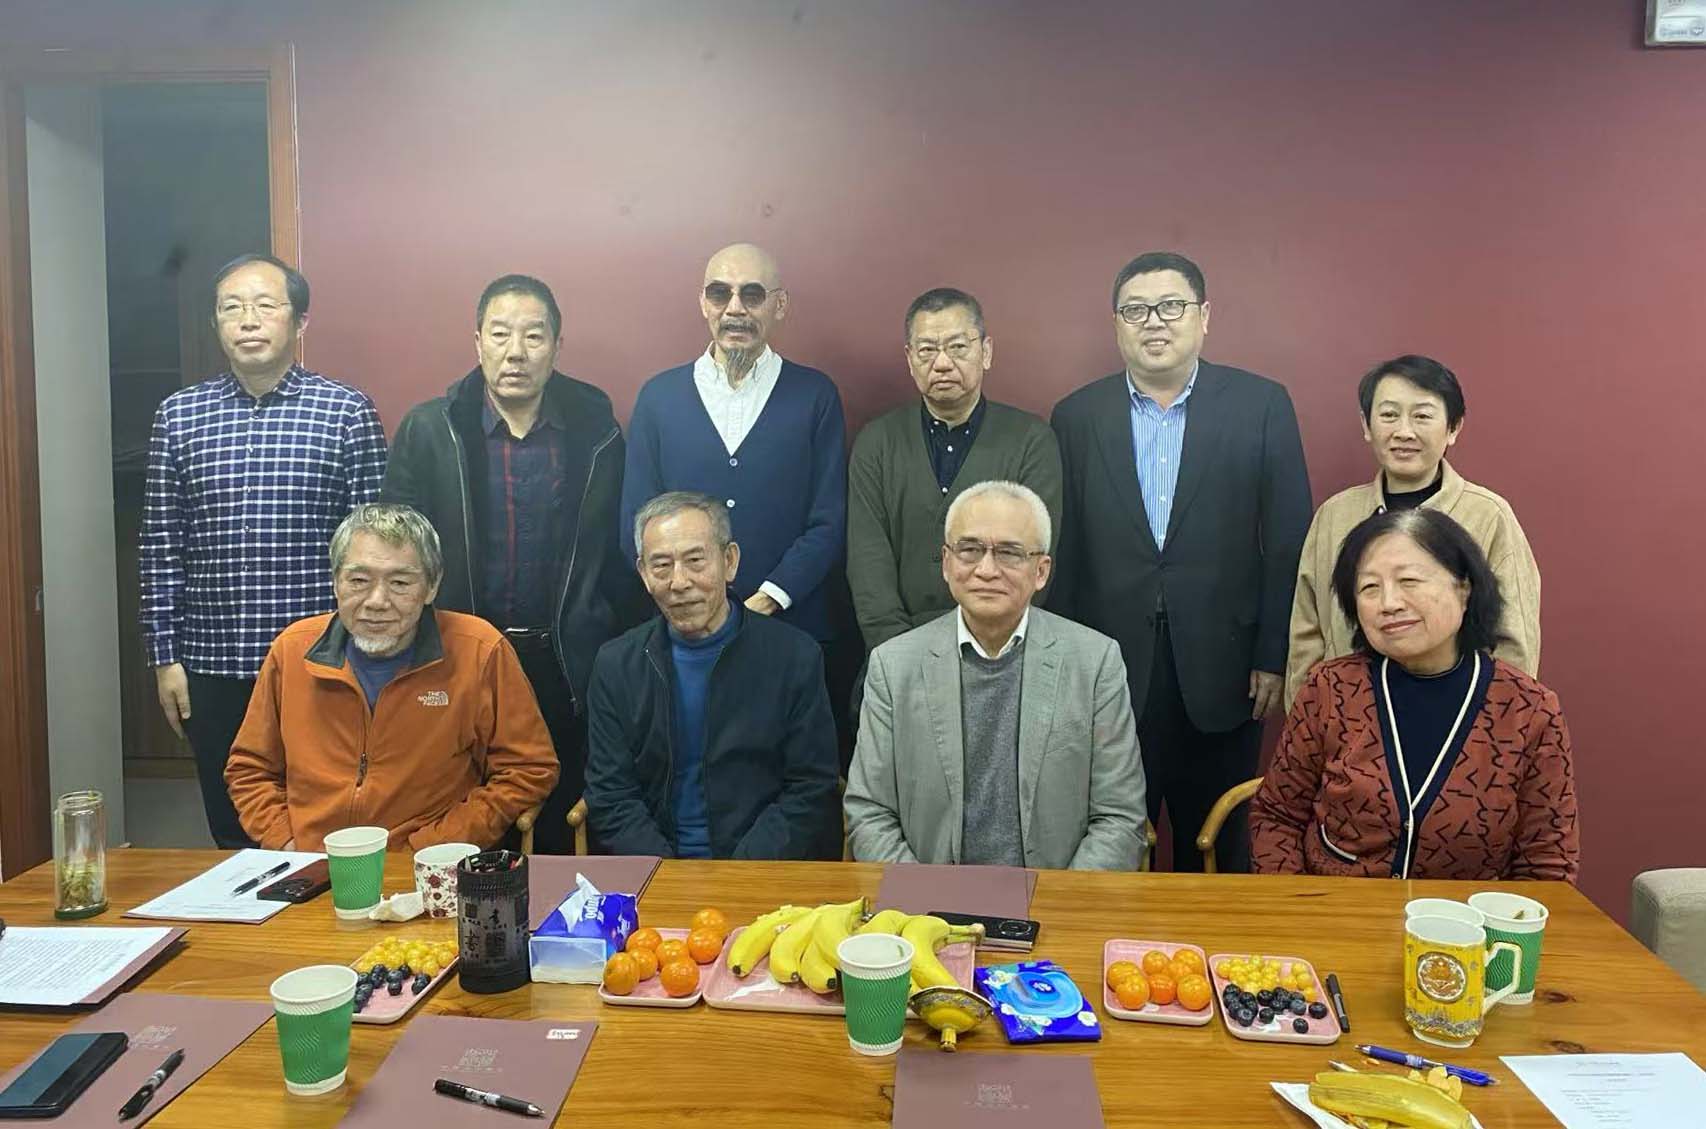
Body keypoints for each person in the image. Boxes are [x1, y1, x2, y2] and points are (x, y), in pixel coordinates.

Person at [1049, 251, 1311, 872]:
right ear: (1116, 324)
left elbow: (1288, 542)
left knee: (1217, 848)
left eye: (1171, 306)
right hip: (1109, 669)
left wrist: (1273, 654)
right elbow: (1066, 552)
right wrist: (1064, 666)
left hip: (1228, 671)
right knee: (1109, 844)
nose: (1154, 322)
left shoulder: (1261, 405)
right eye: (1136, 310)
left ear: (1204, 316)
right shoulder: (1076, 416)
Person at [381, 274, 638, 853]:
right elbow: (397, 551)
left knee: (561, 819)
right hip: (464, 653)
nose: (515, 352)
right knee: (465, 822)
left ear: (556, 346)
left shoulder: (597, 433)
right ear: (477, 342)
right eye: (500, 334)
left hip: (567, 656)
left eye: (533, 336)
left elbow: (616, 551)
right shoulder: (431, 429)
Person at [141, 253, 387, 848]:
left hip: (321, 660)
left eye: (265, 305)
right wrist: (164, 658)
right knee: (231, 827)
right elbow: (160, 546)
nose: (248, 320)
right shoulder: (179, 417)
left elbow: (375, 547)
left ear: (299, 321)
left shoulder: (346, 412)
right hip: (211, 661)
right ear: (216, 323)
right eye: (232, 308)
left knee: (322, 821)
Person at [1250, 508, 1578, 881]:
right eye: (1369, 587)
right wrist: (1299, 905)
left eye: (1409, 580)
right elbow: (1276, 816)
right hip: (1334, 909)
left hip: (1465, 917)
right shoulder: (1330, 688)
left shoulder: (1529, 710)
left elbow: (1547, 865)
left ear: (1464, 589)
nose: (1389, 603)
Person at [844, 481, 1147, 870]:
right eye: (969, 550)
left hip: (1056, 895)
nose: (986, 570)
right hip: (929, 898)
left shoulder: (1095, 662)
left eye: (1009, 553)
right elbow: (869, 812)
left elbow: (1119, 816)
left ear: (1041, 571)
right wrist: (925, 899)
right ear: (947, 562)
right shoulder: (893, 666)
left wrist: (1058, 899)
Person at [224, 505, 559, 852]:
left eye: (400, 583)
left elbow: (529, 769)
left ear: (432, 586)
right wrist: (285, 840)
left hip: (426, 865)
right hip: (310, 862)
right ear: (335, 582)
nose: (377, 601)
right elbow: (250, 769)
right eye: (358, 581)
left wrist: (434, 846)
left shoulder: (479, 650)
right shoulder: (292, 650)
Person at [583, 491, 841, 859]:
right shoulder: (616, 665)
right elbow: (611, 794)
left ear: (729, 561)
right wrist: (665, 873)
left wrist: (738, 873)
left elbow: (810, 788)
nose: (679, 582)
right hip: (655, 869)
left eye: (695, 560)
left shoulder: (795, 657)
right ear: (643, 574)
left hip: (762, 869)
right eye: (661, 565)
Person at [1284, 354, 1541, 710]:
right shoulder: (1335, 515)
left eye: (1422, 416)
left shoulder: (1488, 515)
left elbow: (1514, 644)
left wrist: (1491, 728)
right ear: (1366, 425)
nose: (1404, 432)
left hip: (1456, 719)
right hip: (1349, 722)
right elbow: (1307, 634)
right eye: (1389, 415)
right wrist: (1310, 720)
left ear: (1453, 428)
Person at [620, 243, 847, 646]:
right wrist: (694, 603)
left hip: (790, 630)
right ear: (703, 303)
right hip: (683, 633)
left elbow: (829, 521)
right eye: (720, 293)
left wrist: (768, 599)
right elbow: (636, 524)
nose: (735, 309)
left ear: (779, 305)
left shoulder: (815, 395)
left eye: (753, 294)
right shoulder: (658, 398)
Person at [847, 287, 1063, 655]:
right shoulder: (877, 442)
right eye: (927, 350)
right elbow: (868, 565)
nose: (943, 363)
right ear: (909, 359)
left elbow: (1031, 558)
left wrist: (986, 648)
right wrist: (899, 657)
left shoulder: (1031, 440)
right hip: (896, 652)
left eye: (958, 347)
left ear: (986, 352)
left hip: (1002, 651)